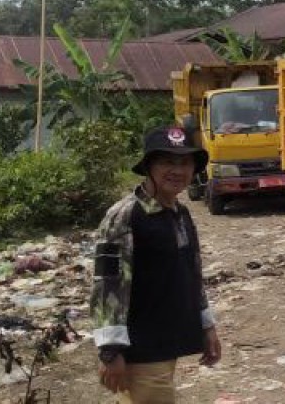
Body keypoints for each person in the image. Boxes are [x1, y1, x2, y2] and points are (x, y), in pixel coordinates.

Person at [91, 125, 223, 403]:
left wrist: (206, 325)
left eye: (184, 162)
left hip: (167, 344)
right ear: (149, 166)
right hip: (141, 349)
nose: (177, 170)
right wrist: (110, 349)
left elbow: (192, 273)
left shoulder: (180, 213)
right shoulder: (126, 215)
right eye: (167, 162)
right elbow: (109, 284)